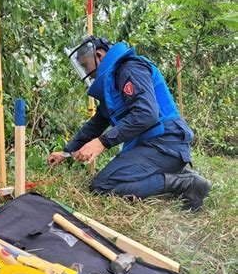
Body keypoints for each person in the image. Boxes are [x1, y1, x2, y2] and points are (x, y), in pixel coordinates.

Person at [48, 36, 211, 211]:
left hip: (167, 143)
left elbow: (147, 114)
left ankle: (187, 183)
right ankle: (177, 176)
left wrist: (102, 142)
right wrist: (66, 152)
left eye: (85, 65)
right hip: (152, 146)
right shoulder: (112, 84)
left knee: (103, 185)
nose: (87, 72)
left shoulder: (130, 69)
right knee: (106, 182)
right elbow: (95, 125)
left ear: (99, 55)